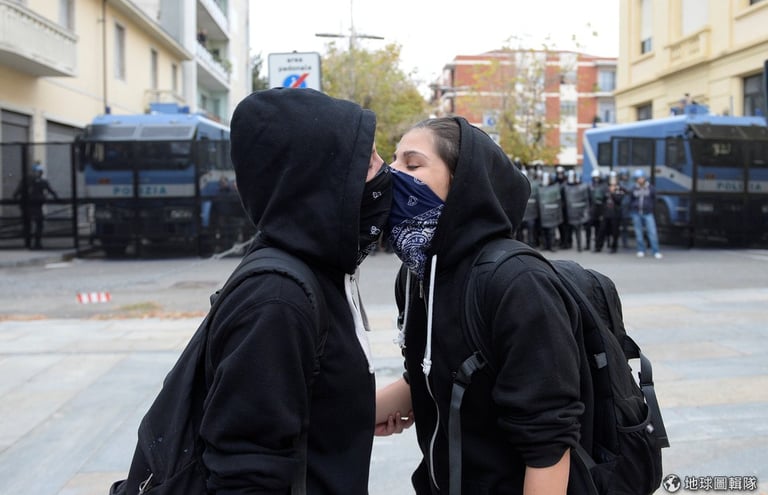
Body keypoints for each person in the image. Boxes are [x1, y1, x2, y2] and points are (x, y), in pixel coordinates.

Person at [197, 88, 392, 493]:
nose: (383, 171)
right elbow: (247, 475)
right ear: (318, 176)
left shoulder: (318, 269)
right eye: (368, 160)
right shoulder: (278, 298)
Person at [376, 117, 584, 494]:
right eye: (394, 161)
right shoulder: (416, 275)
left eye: (412, 163)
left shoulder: (518, 282)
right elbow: (428, 375)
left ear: (462, 184)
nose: (392, 174)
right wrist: (344, 416)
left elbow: (548, 442)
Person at [13, 162, 59, 249]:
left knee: (28, 225)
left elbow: (17, 192)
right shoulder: (42, 182)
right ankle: (37, 243)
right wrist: (57, 199)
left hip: (27, 206)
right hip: (37, 205)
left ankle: (28, 243)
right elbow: (51, 191)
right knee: (39, 224)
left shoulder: (26, 181)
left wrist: (17, 201)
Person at [629, 169, 663, 259]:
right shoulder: (634, 188)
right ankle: (641, 250)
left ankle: (655, 251)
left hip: (648, 213)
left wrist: (651, 208)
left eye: (641, 178)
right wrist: (633, 208)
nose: (640, 180)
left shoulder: (651, 188)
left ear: (644, 178)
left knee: (652, 232)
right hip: (636, 213)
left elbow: (654, 199)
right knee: (638, 233)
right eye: (638, 178)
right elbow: (631, 199)